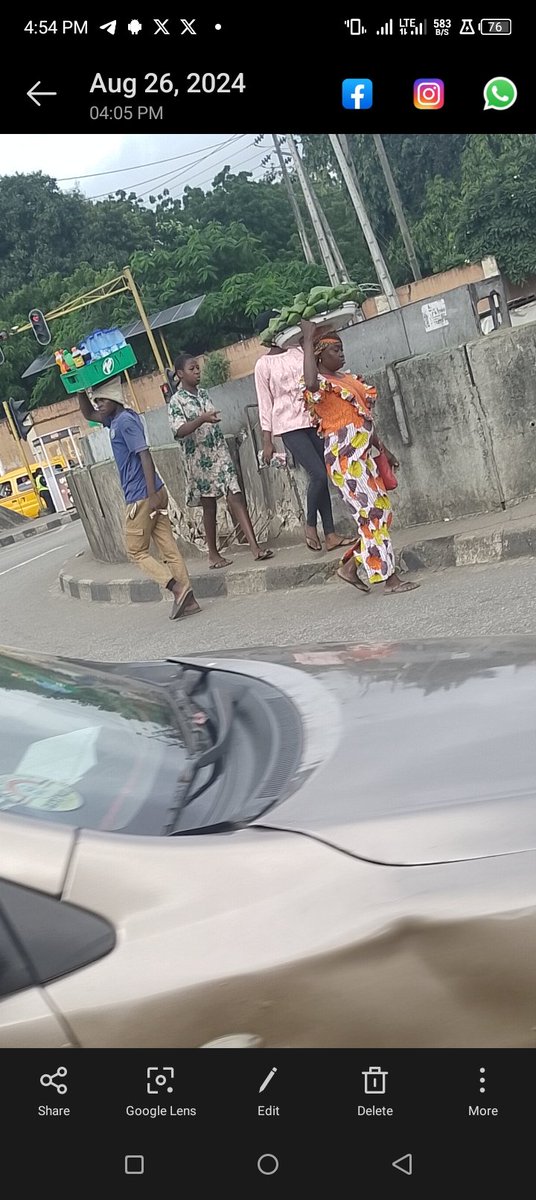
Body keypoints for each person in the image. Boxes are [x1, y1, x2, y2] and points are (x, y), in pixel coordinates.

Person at [301, 321, 419, 595]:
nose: (341, 354)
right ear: (319, 356)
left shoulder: (347, 380)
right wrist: (307, 340)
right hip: (346, 460)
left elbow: (362, 418)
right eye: (335, 351)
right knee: (372, 514)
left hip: (362, 456)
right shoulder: (320, 385)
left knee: (381, 513)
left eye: (342, 349)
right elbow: (310, 382)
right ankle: (390, 579)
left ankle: (351, 567)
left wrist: (383, 449)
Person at [78, 390, 200, 620]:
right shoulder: (116, 419)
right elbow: (89, 414)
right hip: (151, 493)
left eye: (102, 400)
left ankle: (176, 588)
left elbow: (144, 454)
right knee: (169, 550)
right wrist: (79, 390)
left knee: (136, 551)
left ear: (114, 399)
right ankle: (190, 601)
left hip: (142, 496)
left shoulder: (124, 422)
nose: (98, 404)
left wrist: (151, 495)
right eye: (97, 400)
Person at [254, 310, 354, 554]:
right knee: (317, 474)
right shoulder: (263, 364)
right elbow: (264, 402)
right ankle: (310, 526)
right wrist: (267, 440)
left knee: (323, 475)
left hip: (312, 418)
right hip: (288, 426)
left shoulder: (298, 350)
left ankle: (330, 534)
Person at [169, 353, 274, 569]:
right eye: (191, 369)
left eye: (198, 368)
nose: (197, 372)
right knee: (209, 506)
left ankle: (255, 547)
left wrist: (211, 420)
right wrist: (202, 419)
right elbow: (179, 430)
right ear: (180, 374)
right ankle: (213, 554)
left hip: (219, 453)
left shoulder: (203, 393)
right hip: (199, 460)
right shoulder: (176, 401)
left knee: (236, 495)